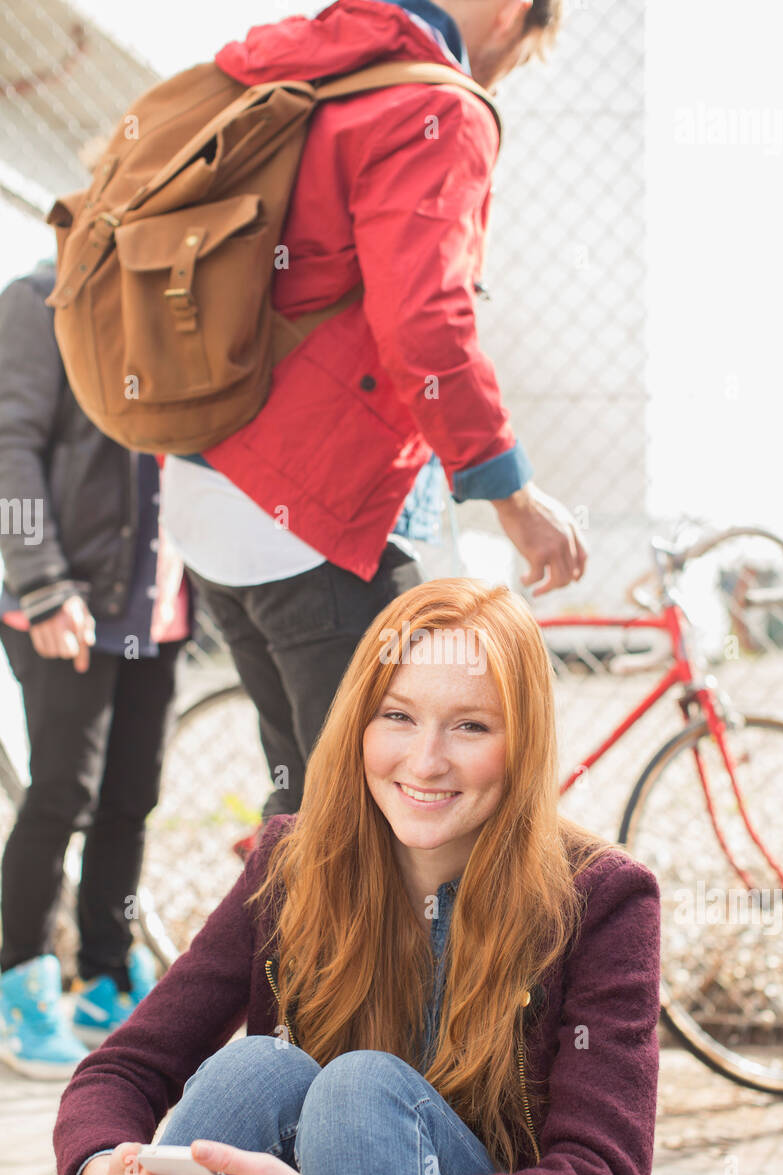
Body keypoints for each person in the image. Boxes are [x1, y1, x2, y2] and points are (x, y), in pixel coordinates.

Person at [55, 578, 692, 1175]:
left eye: (471, 727)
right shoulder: (293, 868)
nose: (425, 762)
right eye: (398, 716)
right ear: (360, 722)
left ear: (524, 745)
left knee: (360, 1089)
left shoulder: (602, 898)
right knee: (257, 1073)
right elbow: (123, 1069)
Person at [159, 0, 588, 832]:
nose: (502, 75)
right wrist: (514, 495)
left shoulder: (299, 59)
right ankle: (289, 964)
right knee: (391, 833)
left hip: (208, 495)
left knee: (313, 815)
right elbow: (426, 325)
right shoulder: (437, 104)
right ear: (512, 13)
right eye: (522, 55)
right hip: (312, 522)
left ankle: (258, 963)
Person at [0, 261, 191, 1079]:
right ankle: (20, 982)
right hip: (66, 598)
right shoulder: (42, 298)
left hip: (160, 602)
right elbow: (8, 444)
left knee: (130, 799)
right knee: (61, 795)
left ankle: (105, 977)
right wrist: (40, 582)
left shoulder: (185, 293)